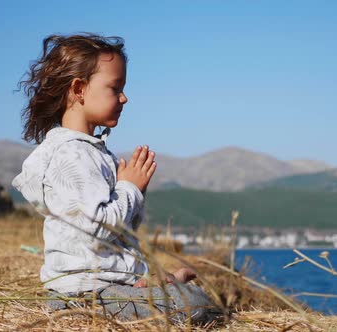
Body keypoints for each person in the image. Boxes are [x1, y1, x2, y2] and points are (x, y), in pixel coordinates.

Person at [12, 33, 223, 324]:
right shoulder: (71, 155)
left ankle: (157, 284)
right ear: (79, 89)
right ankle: (165, 288)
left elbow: (120, 231)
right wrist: (129, 188)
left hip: (108, 288)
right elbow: (95, 227)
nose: (124, 97)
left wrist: (134, 192)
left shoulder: (93, 152)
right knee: (198, 307)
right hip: (85, 295)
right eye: (115, 88)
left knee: (195, 299)